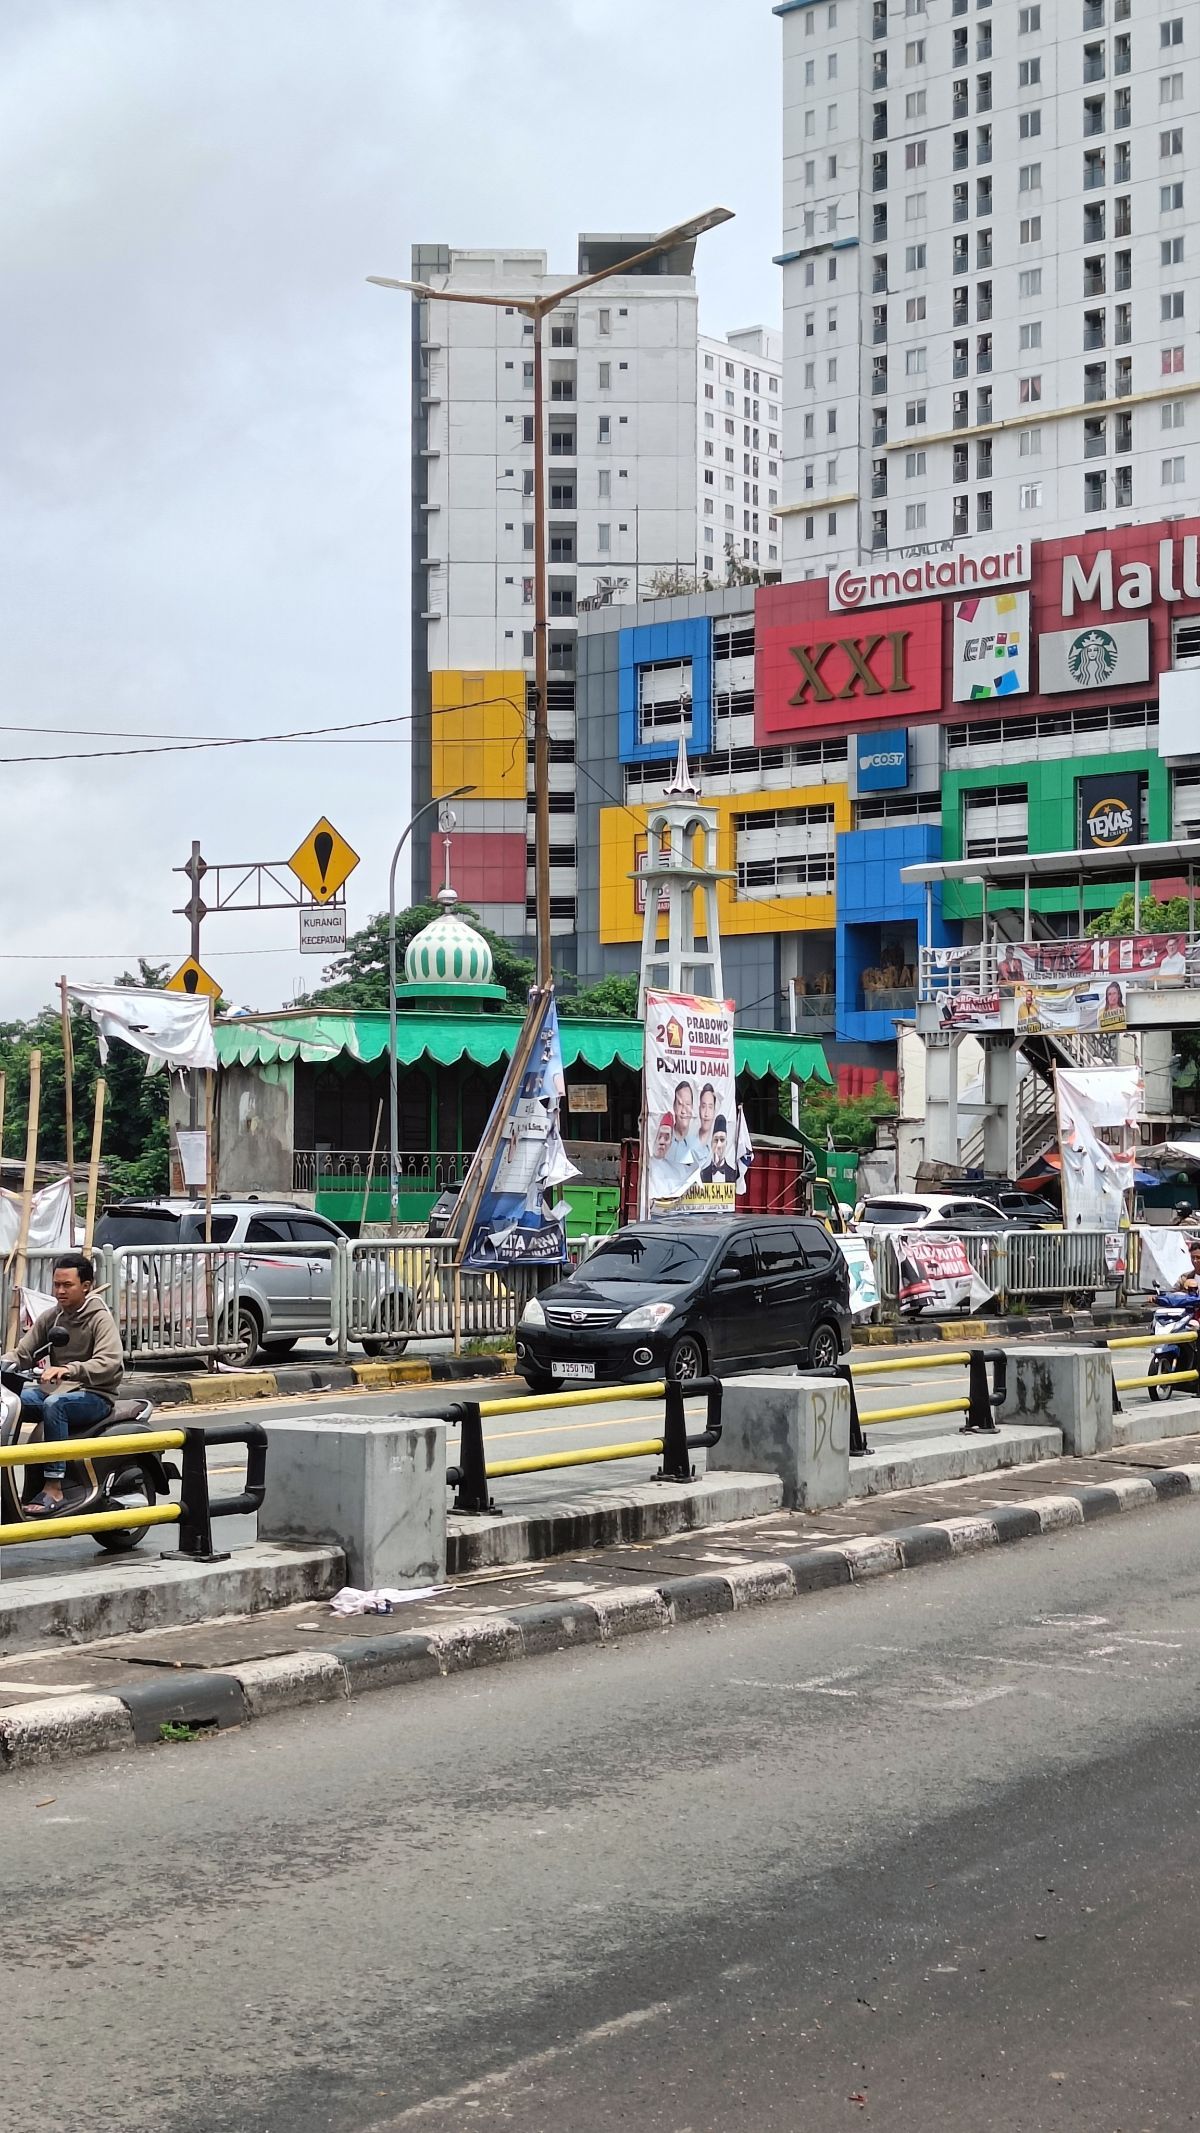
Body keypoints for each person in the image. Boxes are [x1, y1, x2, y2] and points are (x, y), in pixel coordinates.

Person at [0, 1253, 124, 1516]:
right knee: (13, 1404)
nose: (60, 1291)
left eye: (67, 1285)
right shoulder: (52, 1317)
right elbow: (23, 1353)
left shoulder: (99, 1317)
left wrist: (68, 1369)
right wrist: (6, 1361)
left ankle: (54, 1486)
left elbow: (110, 1362)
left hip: (95, 1395)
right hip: (60, 1391)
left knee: (54, 1405)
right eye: (56, 1285)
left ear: (86, 1286)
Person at [701, 1116, 739, 1185]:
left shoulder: (733, 1173)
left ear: (726, 1143)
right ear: (711, 1143)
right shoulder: (703, 1174)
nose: (719, 1145)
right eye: (716, 1140)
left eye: (722, 1140)